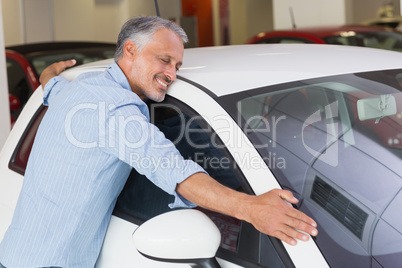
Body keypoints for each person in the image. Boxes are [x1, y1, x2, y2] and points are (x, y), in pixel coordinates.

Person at [0, 16, 318, 268]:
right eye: (164, 60)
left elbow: (54, 92)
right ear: (130, 50)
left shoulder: (84, 87)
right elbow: (172, 170)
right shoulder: (113, 108)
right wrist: (250, 208)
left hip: (15, 254)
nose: (172, 74)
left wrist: (47, 80)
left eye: (177, 65)